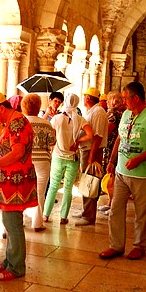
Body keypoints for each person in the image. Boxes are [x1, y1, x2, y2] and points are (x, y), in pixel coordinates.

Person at [99, 81, 146, 260]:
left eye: (125, 98)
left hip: (143, 175)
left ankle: (139, 246)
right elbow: (120, 139)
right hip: (122, 172)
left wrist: (139, 159)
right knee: (115, 210)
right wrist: (113, 161)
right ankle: (116, 245)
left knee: (141, 213)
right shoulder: (126, 114)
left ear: (136, 98)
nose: (123, 102)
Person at [0, 91, 37, 281]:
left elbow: (18, 152)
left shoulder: (17, 122)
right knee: (8, 223)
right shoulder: (10, 122)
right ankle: (9, 260)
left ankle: (17, 267)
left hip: (16, 181)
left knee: (13, 225)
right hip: (9, 181)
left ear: (1, 108)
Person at [43, 93, 93, 225]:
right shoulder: (80, 119)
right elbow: (90, 134)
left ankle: (46, 215)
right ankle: (63, 217)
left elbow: (50, 137)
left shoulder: (56, 119)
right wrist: (77, 141)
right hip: (73, 158)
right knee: (68, 188)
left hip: (58, 157)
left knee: (53, 186)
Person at [21, 93, 56, 232]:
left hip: (25, 160)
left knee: (23, 190)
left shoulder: (21, 122)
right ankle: (37, 223)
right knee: (40, 192)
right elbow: (52, 142)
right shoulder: (46, 123)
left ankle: (21, 219)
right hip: (43, 162)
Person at [75, 87, 108, 226]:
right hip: (88, 150)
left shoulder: (98, 112)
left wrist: (91, 156)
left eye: (85, 97)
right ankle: (86, 211)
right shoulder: (93, 111)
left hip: (92, 151)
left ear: (88, 98)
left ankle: (89, 216)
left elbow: (98, 136)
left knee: (90, 181)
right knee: (86, 180)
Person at [98, 90, 125, 214]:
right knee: (111, 176)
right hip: (113, 147)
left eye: (109, 100)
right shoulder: (116, 113)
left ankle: (112, 204)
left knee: (112, 176)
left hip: (113, 147)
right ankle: (110, 202)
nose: (107, 102)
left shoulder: (115, 114)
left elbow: (106, 131)